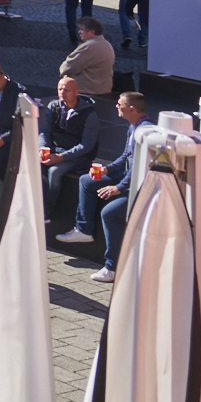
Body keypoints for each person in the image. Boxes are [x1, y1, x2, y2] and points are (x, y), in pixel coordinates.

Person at [58, 92, 151, 281]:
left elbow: (139, 168)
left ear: (131, 109)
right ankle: (84, 229)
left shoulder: (145, 132)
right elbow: (126, 157)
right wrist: (107, 170)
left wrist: (118, 188)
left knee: (109, 213)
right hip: (128, 176)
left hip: (142, 185)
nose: (116, 106)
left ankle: (112, 268)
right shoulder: (133, 127)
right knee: (86, 181)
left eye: (120, 104)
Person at [41, 75, 100, 226]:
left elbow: (87, 145)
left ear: (76, 92)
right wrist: (43, 148)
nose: (62, 93)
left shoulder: (89, 114)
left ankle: (46, 212)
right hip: (55, 149)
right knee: (31, 164)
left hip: (78, 156)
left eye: (66, 90)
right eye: (60, 89)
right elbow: (45, 131)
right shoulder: (54, 106)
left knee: (54, 171)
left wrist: (61, 157)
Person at [58, 16, 115, 97]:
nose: (79, 32)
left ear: (92, 32)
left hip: (87, 90)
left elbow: (69, 67)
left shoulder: (89, 46)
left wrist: (63, 72)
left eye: (82, 29)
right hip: (103, 88)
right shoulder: (106, 44)